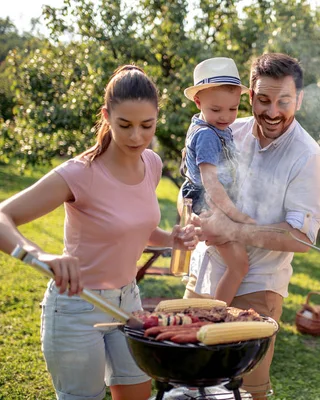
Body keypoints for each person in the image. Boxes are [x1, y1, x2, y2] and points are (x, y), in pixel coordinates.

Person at [0, 65, 198, 400]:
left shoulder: (151, 163)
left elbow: (139, 228)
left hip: (129, 302)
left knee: (138, 394)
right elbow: (3, 216)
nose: (137, 136)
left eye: (146, 126)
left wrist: (171, 239)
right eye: (125, 125)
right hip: (78, 306)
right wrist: (39, 254)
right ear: (106, 116)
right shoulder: (78, 173)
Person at [186, 53, 320, 398]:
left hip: (256, 287)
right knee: (191, 380)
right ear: (250, 96)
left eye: (284, 101)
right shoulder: (225, 128)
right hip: (203, 274)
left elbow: (300, 238)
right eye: (263, 100)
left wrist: (234, 231)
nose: (273, 111)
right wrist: (191, 214)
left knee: (248, 390)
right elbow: (190, 184)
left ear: (300, 98)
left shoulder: (307, 157)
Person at [181, 57, 255, 305]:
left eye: (233, 109)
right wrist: (235, 215)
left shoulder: (216, 129)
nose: (225, 116)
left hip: (212, 201)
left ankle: (214, 307)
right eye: (216, 110)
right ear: (198, 102)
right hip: (208, 202)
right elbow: (210, 182)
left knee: (235, 265)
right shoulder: (207, 136)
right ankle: (218, 312)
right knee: (239, 266)